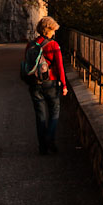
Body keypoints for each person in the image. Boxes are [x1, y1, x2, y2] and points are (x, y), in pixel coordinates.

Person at [28, 16, 67, 155]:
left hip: (34, 83)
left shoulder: (31, 44)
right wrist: (64, 85)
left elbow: (27, 65)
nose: (54, 33)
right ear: (48, 30)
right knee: (54, 111)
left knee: (40, 115)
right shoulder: (53, 45)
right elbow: (60, 67)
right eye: (53, 30)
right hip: (50, 82)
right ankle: (49, 138)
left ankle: (42, 147)